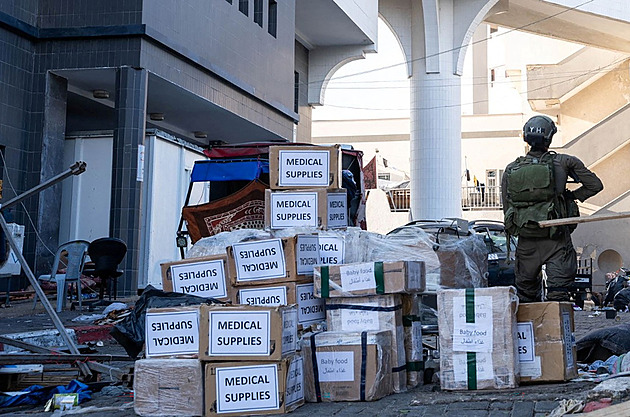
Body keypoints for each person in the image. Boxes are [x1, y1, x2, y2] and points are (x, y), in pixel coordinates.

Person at [502, 115, 603, 302]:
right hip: (557, 239)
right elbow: (595, 185)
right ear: (550, 138)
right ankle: (556, 330)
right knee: (558, 296)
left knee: (526, 298)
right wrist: (570, 196)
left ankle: (531, 330)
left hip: (527, 242)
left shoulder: (511, 169)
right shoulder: (565, 162)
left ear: (525, 137)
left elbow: (507, 208)